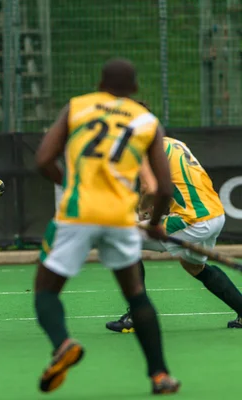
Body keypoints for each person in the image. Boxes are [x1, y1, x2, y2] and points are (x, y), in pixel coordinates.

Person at [33, 59, 180, 395]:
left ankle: (62, 344)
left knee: (45, 289)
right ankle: (160, 375)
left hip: (76, 214)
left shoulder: (78, 107)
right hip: (119, 218)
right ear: (135, 89)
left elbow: (43, 160)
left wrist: (70, 185)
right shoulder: (147, 122)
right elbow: (164, 188)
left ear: (99, 83)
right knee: (136, 295)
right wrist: (155, 224)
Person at [106, 124, 242, 332]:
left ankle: (137, 315)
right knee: (194, 265)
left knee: (123, 239)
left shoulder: (144, 150)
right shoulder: (175, 144)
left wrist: (143, 212)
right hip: (215, 215)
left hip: (191, 219)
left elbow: (148, 188)